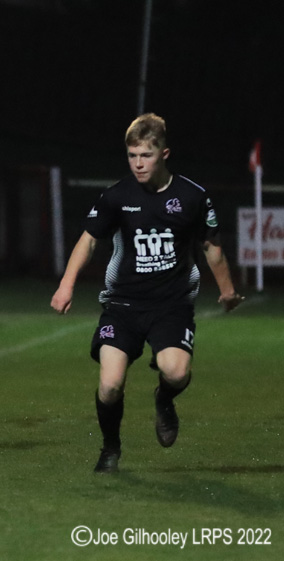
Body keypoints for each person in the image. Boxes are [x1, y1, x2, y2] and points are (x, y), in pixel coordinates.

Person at [50, 113, 243, 473]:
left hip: (171, 306)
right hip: (123, 306)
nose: (138, 163)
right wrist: (66, 284)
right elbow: (89, 240)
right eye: (132, 155)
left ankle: (164, 400)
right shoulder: (117, 196)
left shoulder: (192, 197)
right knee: (109, 385)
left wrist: (228, 291)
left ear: (164, 154)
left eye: (146, 155)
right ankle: (110, 449)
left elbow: (211, 247)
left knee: (176, 373)